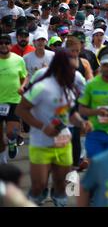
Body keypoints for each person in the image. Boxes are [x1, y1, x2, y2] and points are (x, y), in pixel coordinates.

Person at [15, 49, 82, 206]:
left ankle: (59, 200)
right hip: (41, 143)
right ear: (60, 67)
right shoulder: (42, 87)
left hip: (64, 143)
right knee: (39, 186)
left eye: (75, 69)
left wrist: (82, 123)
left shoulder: (70, 88)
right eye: (71, 69)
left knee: (61, 186)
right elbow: (20, 110)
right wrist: (43, 127)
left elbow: (70, 114)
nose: (74, 73)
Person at [0, 34, 27, 162]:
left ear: (11, 45)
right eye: (1, 43)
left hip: (14, 101)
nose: (4, 45)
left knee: (12, 133)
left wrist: (22, 87)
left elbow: (24, 77)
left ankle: (12, 143)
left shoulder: (18, 60)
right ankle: (2, 160)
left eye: (6, 43)